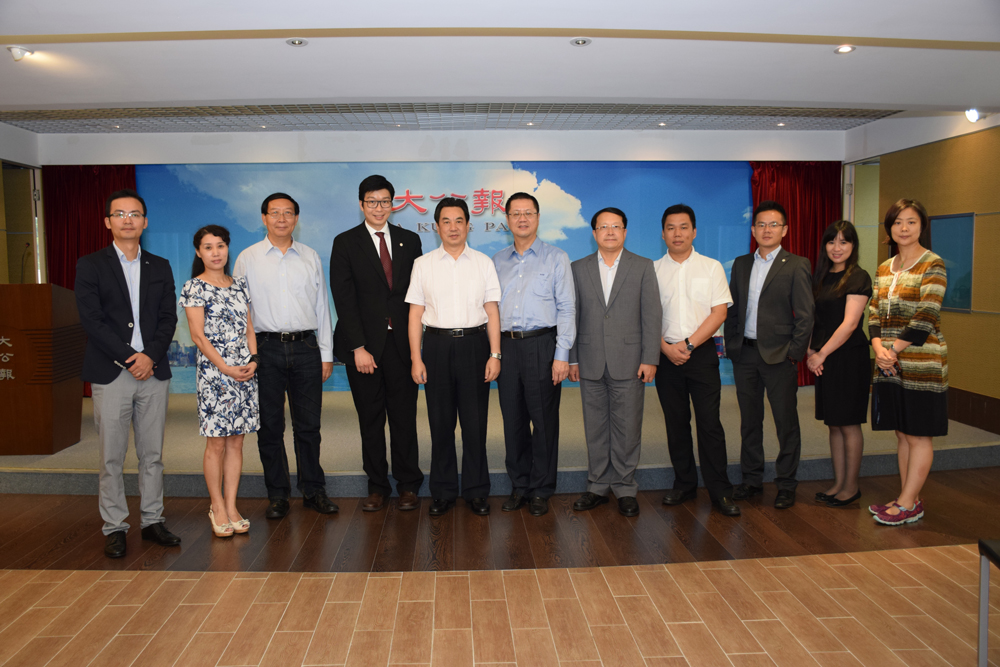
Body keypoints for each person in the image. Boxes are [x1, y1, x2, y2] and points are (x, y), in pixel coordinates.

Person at [74, 188, 181, 558]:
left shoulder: (160, 265)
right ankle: (115, 526)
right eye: (119, 214)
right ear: (108, 222)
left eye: (134, 214)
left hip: (153, 371)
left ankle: (152, 520)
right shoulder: (90, 265)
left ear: (145, 222)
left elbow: (168, 318)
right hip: (111, 371)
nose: (127, 220)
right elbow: (92, 320)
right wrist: (130, 357)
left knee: (152, 454)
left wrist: (149, 356)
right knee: (111, 457)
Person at [233, 193, 338, 518]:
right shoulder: (248, 258)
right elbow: (240, 312)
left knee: (309, 426)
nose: (282, 219)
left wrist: (326, 353)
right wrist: (247, 355)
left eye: (288, 213)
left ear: (296, 218)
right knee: (270, 427)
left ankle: (313, 490)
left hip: (306, 348)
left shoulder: (310, 256)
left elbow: (322, 306)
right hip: (265, 350)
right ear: (264, 218)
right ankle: (277, 494)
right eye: (275, 213)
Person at [331, 175, 424, 512]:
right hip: (365, 350)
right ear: (361, 204)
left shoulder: (409, 241)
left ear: (393, 204)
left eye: (385, 201)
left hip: (401, 346)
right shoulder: (345, 242)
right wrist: (357, 347)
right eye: (372, 202)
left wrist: (416, 349)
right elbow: (344, 298)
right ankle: (377, 486)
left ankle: (408, 484)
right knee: (370, 420)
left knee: (404, 419)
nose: (378, 207)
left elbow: (417, 295)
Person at [405, 197, 502, 517]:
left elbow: (492, 311)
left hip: (475, 345)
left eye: (459, 220)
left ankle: (476, 490)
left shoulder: (483, 263)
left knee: (475, 424)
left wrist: (495, 354)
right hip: (436, 347)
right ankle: (443, 491)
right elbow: (415, 315)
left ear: (468, 225)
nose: (453, 227)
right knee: (440, 423)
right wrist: (416, 358)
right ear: (436, 227)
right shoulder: (423, 264)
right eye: (446, 221)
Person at [569, 207, 661, 517]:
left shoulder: (643, 266)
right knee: (595, 428)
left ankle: (624, 487)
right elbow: (572, 315)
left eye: (616, 226)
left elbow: (652, 316)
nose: (610, 232)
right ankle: (597, 485)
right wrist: (572, 358)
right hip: (590, 359)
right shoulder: (577, 268)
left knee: (627, 427)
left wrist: (650, 358)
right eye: (603, 227)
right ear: (594, 233)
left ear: (625, 231)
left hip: (630, 361)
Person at [725, 200, 814, 509]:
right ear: (753, 230)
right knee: (749, 422)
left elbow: (806, 315)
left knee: (785, 423)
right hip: (745, 355)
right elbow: (732, 309)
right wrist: (733, 345)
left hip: (780, 357)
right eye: (761, 224)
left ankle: (786, 483)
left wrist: (794, 354)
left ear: (784, 230)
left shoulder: (797, 264)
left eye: (773, 224)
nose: (767, 230)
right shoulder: (741, 264)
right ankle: (751, 480)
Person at [493, 192, 576, 517]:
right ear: (507, 220)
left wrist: (562, 354)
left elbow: (567, 307)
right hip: (507, 346)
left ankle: (541, 488)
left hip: (543, 344)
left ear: (538, 218)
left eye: (528, 213)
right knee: (512, 420)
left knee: (543, 421)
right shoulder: (497, 261)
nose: (522, 219)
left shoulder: (556, 257)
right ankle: (520, 485)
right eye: (515, 214)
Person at [654, 204, 740, 517]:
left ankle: (720, 491)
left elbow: (719, 312)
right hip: (665, 356)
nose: (677, 233)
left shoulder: (711, 267)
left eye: (683, 227)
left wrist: (688, 344)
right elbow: (645, 317)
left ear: (694, 231)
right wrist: (666, 348)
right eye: (671, 227)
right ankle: (684, 484)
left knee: (709, 424)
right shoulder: (652, 270)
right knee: (676, 424)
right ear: (662, 233)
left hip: (701, 354)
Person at [868, 199, 948, 526]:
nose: (904, 228)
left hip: (921, 362)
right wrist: (879, 348)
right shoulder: (885, 268)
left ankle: (906, 503)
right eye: (898, 222)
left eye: (911, 222)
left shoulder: (933, 264)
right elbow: (874, 312)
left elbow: (926, 315)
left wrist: (892, 350)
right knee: (902, 432)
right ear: (890, 228)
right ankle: (908, 497)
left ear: (922, 226)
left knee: (919, 434)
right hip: (889, 361)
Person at [180, 225, 259, 537]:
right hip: (215, 374)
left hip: (245, 371)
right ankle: (217, 505)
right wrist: (226, 368)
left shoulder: (239, 285)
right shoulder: (194, 287)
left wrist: (253, 360)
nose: (216, 252)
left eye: (221, 246)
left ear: (228, 248)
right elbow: (198, 336)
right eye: (208, 247)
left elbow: (249, 328)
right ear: (198, 252)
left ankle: (232, 504)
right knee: (216, 442)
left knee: (237, 440)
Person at [806, 221, 872, 508]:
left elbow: (850, 324)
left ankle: (851, 487)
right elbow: (814, 317)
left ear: (853, 246)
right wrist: (811, 350)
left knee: (849, 423)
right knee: (834, 423)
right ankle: (838, 483)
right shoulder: (820, 276)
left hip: (848, 357)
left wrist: (821, 354)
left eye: (844, 242)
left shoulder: (858, 277)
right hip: (824, 356)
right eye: (832, 241)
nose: (837, 247)